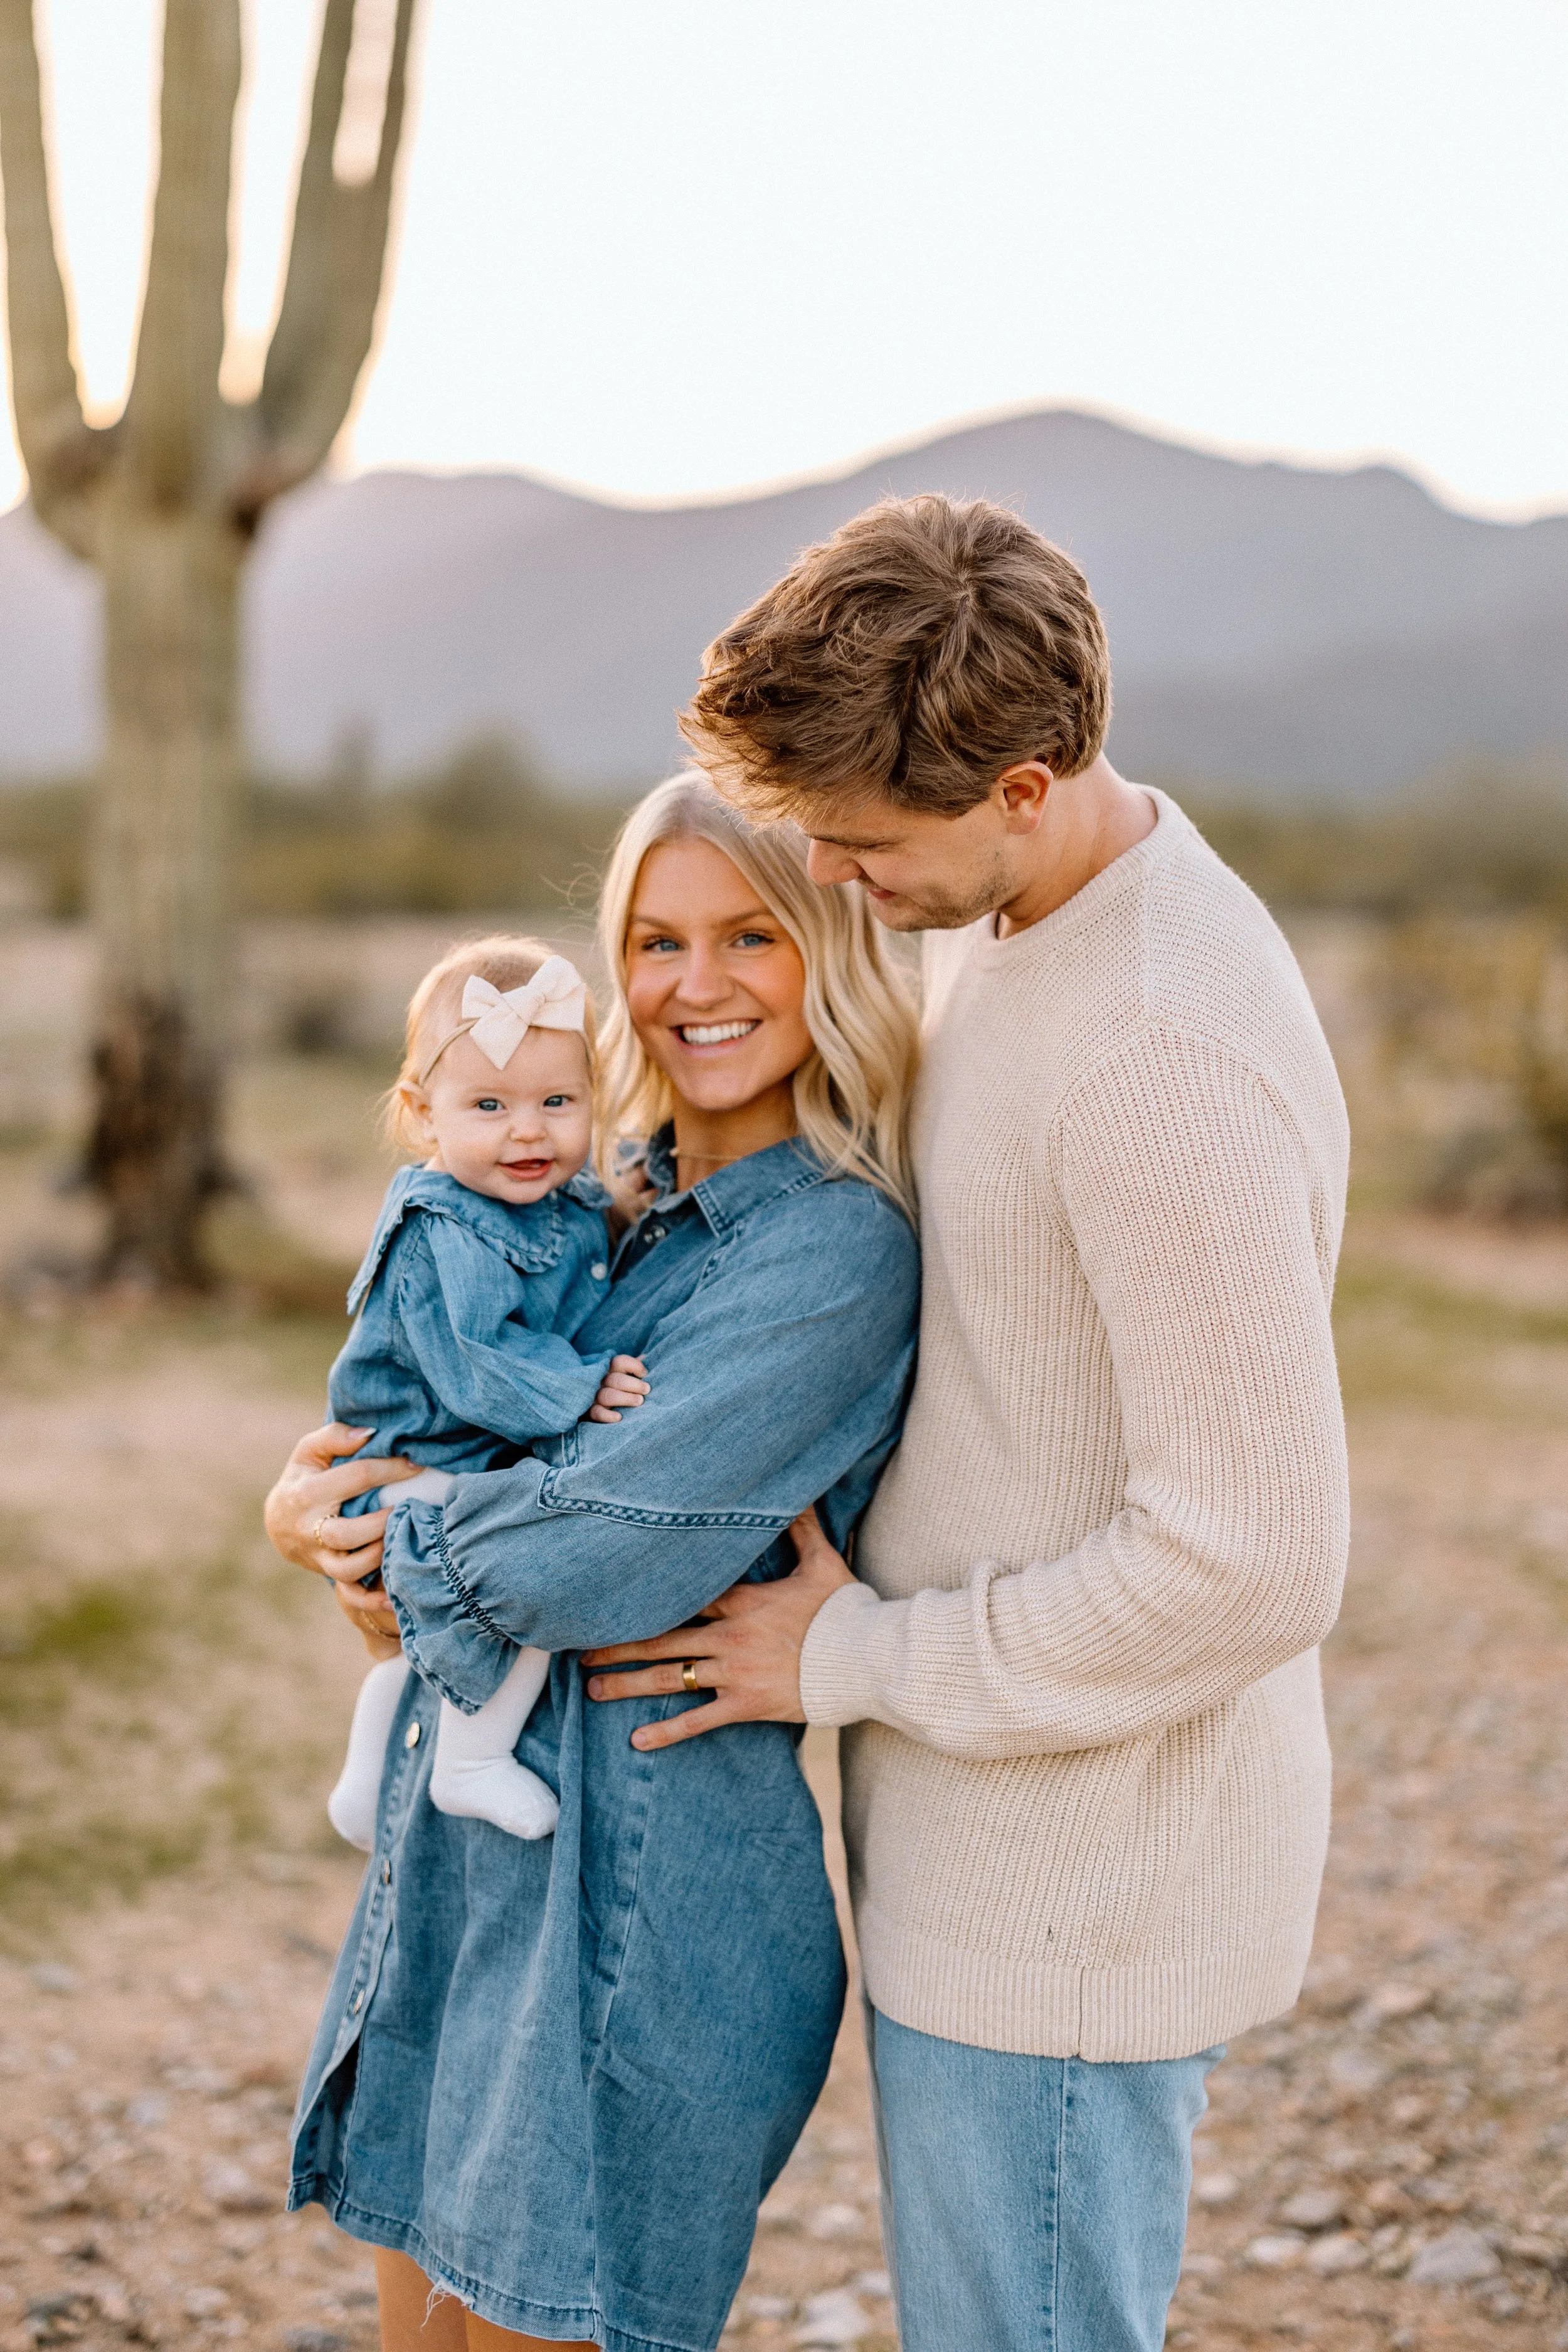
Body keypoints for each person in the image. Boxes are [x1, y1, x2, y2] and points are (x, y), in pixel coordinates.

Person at [583, 494, 1352, 2352]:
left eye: (860, 845)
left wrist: (864, 1651)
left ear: (1021, 780)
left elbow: (1251, 1556)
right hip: (992, 1854)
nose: (839, 884)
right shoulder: (1031, 906)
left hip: (1074, 1902)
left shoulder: (1155, 1044)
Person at [263, 773, 921, 2352]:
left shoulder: (835, 1248)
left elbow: (579, 1557)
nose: (695, 986)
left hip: (636, 1920)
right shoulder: (578, 1192)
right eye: (654, 940)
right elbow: (419, 1408)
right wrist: (315, 1512)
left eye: (750, 936)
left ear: (829, 946)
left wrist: (388, 1521)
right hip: (467, 1881)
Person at [322, 935, 652, 1851]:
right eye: (490, 1105)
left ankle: (362, 1785)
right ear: (424, 1114)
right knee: (526, 1579)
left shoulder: (549, 1197)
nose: (528, 1131)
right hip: (408, 1467)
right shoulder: (442, 1230)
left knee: (430, 1633)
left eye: (558, 1101)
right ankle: (469, 1763)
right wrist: (580, 1388)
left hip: (449, 1468)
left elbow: (588, 1243)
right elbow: (477, 1359)